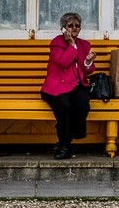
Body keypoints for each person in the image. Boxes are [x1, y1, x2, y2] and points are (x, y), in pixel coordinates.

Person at [39, 12, 96, 159]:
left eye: (77, 25)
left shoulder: (85, 44)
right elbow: (63, 62)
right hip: (56, 87)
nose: (75, 28)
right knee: (65, 106)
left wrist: (88, 61)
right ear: (63, 28)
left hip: (76, 86)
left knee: (83, 103)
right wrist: (71, 45)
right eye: (71, 25)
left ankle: (64, 141)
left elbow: (86, 70)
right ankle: (65, 146)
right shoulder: (57, 43)